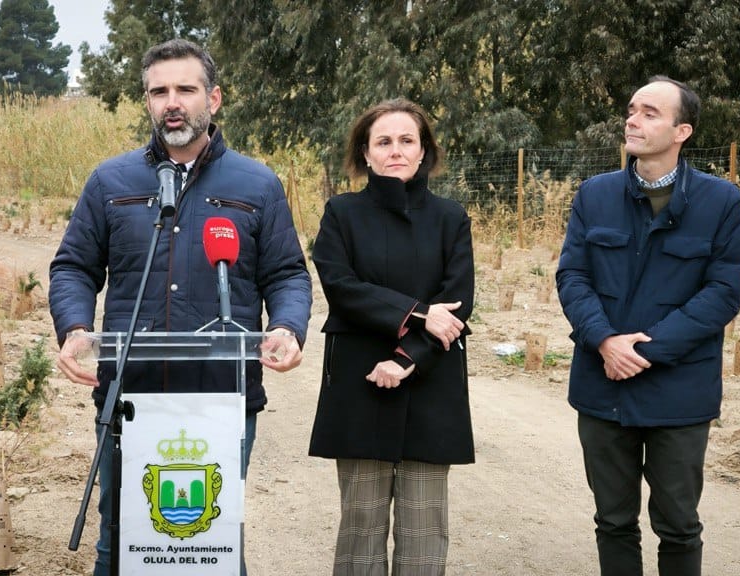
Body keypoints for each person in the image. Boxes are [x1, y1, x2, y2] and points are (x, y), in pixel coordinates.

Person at [48, 38, 312, 576]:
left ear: (212, 99)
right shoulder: (110, 182)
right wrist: (75, 328)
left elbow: (287, 274)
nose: (172, 102)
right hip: (129, 396)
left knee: (208, 545)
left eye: (185, 89)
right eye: (159, 91)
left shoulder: (257, 184)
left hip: (221, 398)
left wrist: (287, 327)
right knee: (121, 544)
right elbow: (73, 267)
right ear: (147, 101)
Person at [555, 76, 740, 576]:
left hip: (679, 391)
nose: (632, 120)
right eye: (631, 110)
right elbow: (573, 276)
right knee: (613, 520)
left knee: (679, 524)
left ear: (681, 130)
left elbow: (723, 293)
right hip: (604, 387)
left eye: (649, 113)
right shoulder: (594, 195)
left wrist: (645, 349)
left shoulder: (721, 202)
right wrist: (603, 340)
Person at [309, 98, 475, 576]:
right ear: (366, 152)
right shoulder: (341, 213)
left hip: (431, 379)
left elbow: (458, 304)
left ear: (424, 152)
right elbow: (342, 288)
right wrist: (419, 312)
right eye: (384, 141)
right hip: (359, 384)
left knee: (425, 535)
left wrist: (406, 358)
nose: (396, 150)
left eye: (408, 141)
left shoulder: (450, 218)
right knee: (360, 529)